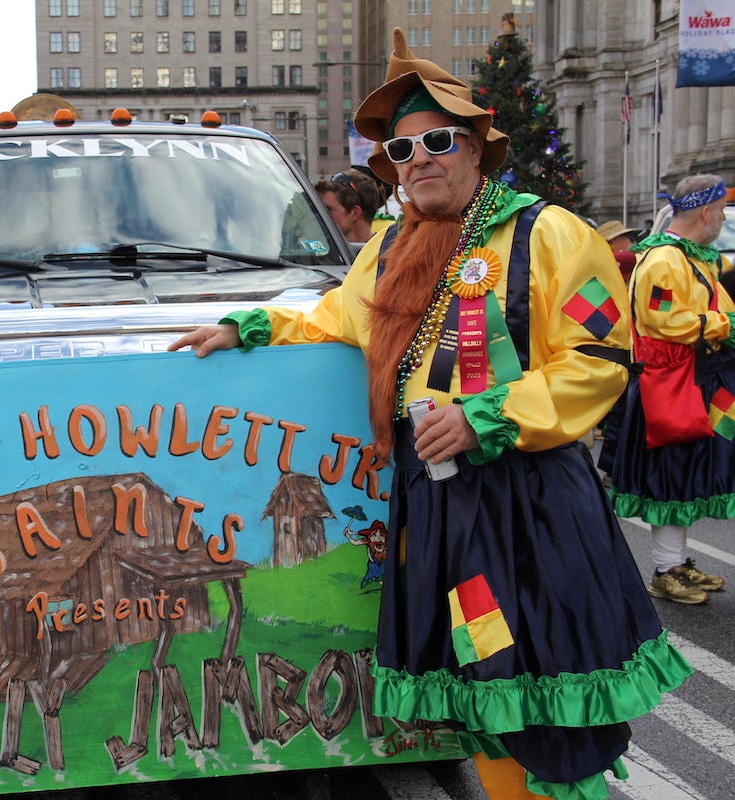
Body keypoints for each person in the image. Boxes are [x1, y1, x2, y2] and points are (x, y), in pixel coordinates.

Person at [169, 29, 690, 800]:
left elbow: (597, 359)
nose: (421, 160)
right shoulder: (386, 251)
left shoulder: (549, 234)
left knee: (550, 689)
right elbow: (329, 320)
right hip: (438, 510)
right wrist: (246, 328)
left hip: (532, 512)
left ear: (478, 149)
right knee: (483, 680)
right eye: (403, 153)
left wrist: (490, 415)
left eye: (439, 141)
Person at [609, 174, 732, 605]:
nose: (721, 218)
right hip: (671, 384)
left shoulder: (692, 258)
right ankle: (664, 568)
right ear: (706, 212)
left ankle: (675, 561)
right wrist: (723, 325)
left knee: (686, 473)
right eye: (720, 210)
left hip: (691, 379)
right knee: (670, 475)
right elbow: (663, 319)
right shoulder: (664, 260)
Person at [316, 171, 383, 243]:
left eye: (329, 210)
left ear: (355, 213)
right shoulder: (317, 250)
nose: (319, 215)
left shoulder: (387, 252)